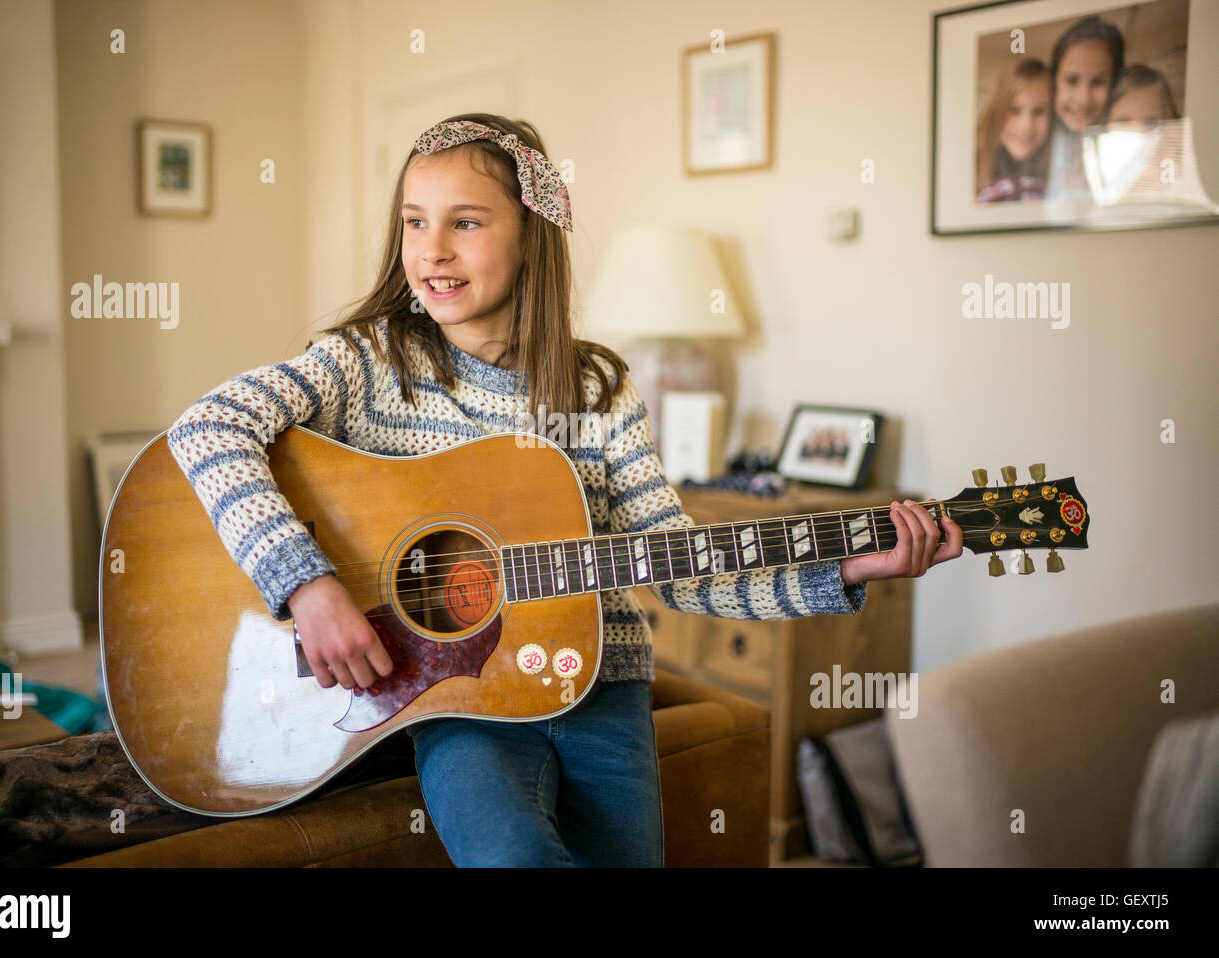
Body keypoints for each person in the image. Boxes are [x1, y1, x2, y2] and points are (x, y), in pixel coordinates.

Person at [165, 112, 963, 867]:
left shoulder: (597, 389)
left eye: (466, 222)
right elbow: (208, 429)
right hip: (462, 704)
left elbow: (679, 568)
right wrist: (308, 585)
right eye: (415, 220)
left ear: (531, 235)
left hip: (603, 691)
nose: (432, 248)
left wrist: (847, 569)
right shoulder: (369, 362)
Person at [1043, 15, 1125, 218]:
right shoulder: (1038, 139)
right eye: (1071, 80)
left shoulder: (1123, 149)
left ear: (1114, 83)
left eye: (1098, 82)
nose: (1083, 99)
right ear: (1053, 82)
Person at [975, 57, 1053, 203]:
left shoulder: (1061, 180)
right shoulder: (970, 172)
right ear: (996, 113)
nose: (1027, 125)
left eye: (1039, 111)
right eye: (1014, 110)